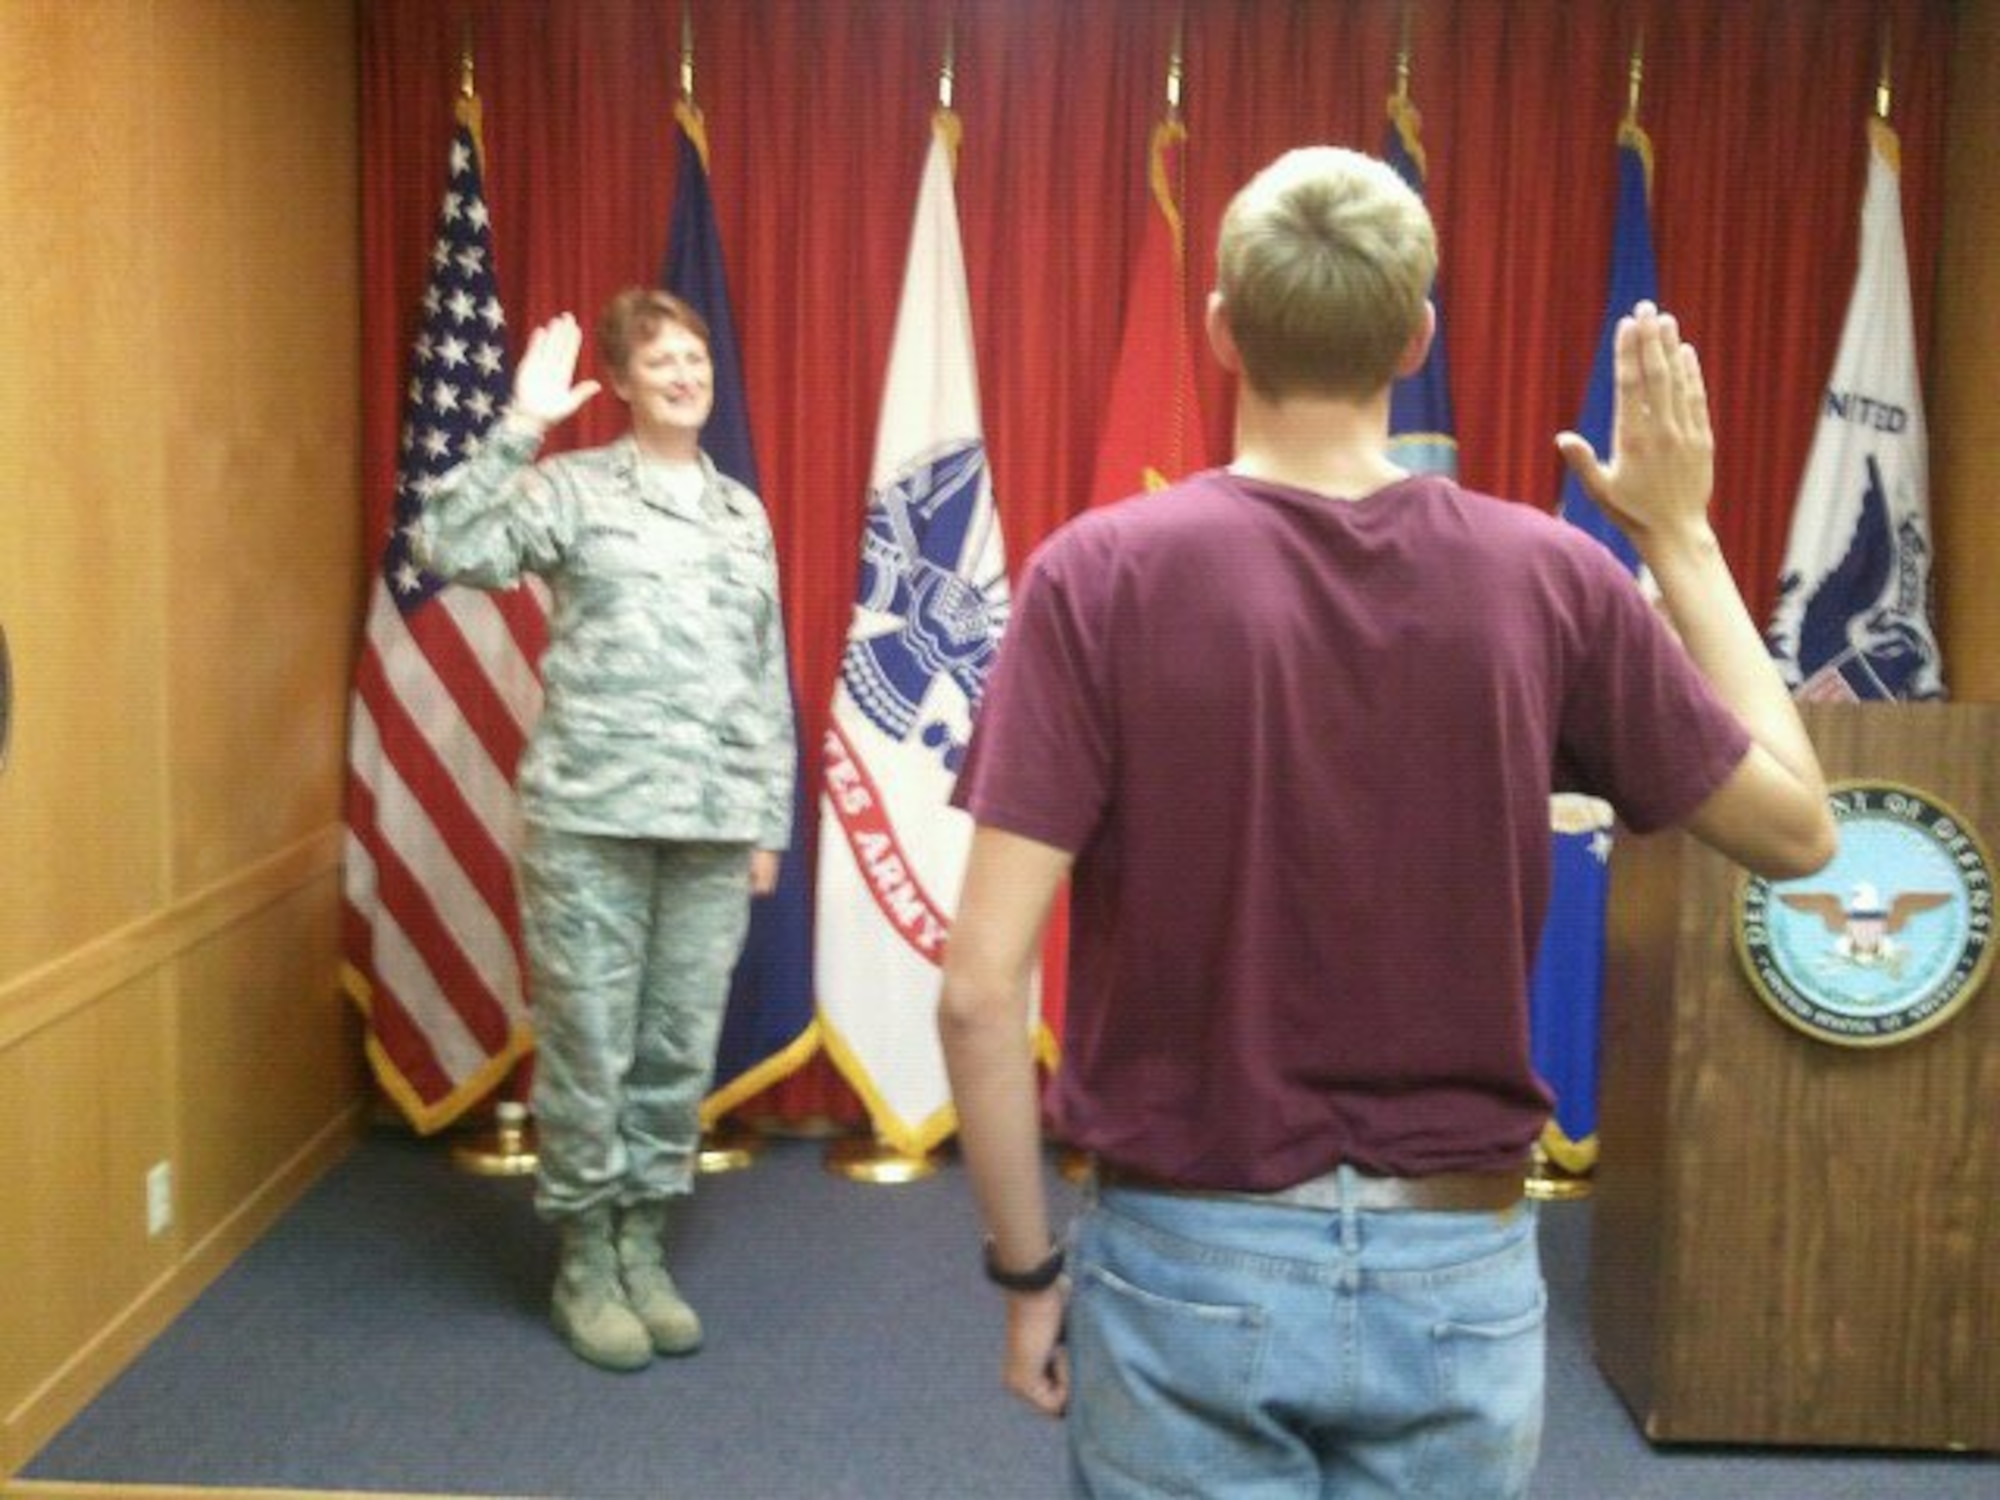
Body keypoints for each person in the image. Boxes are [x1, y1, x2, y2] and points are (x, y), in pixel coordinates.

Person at [937, 147, 1836, 1497]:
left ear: (1222, 328)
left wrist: (1025, 1275)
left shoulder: (1096, 577)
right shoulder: (1550, 578)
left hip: (1185, 1258)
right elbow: (1799, 830)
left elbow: (975, 994)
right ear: (1417, 338)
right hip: (1455, 1269)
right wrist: (1683, 540)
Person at [416, 290, 794, 1372]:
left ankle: (642, 1245)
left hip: (711, 827)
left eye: (695, 356)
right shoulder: (572, 491)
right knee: (590, 1050)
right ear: (622, 383)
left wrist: (763, 817)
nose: (684, 373)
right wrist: (520, 423)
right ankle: (584, 1258)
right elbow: (449, 541)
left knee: (674, 1050)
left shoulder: (740, 514)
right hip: (590, 819)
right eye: (660, 360)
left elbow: (764, 672)